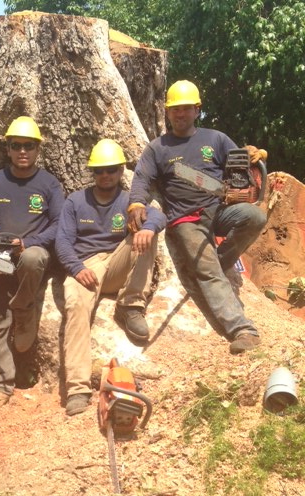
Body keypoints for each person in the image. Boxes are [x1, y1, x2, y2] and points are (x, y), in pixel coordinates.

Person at [128, 80, 267, 354]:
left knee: (255, 217)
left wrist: (251, 156)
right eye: (175, 109)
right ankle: (242, 330)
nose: (180, 114)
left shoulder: (215, 139)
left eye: (186, 108)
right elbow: (141, 178)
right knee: (208, 271)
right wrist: (135, 204)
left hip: (220, 209)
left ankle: (222, 260)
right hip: (186, 219)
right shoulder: (158, 148)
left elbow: (239, 166)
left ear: (197, 109)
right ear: (167, 112)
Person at [55, 139, 165, 416]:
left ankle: (130, 305)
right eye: (99, 170)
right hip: (86, 266)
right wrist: (76, 268)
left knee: (146, 234)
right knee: (76, 306)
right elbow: (62, 242)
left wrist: (147, 227)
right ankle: (77, 389)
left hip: (117, 261)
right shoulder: (75, 201)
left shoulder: (129, 201)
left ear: (121, 170)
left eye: (111, 170)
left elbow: (157, 216)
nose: (105, 175)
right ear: (92, 172)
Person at [0, 116, 65, 415]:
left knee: (33, 256)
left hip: (30, 259)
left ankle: (23, 308)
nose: (23, 151)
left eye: (29, 145)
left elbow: (59, 224)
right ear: (8, 149)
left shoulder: (49, 184)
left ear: (38, 149)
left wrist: (28, 242)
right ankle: (0, 387)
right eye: (17, 145)